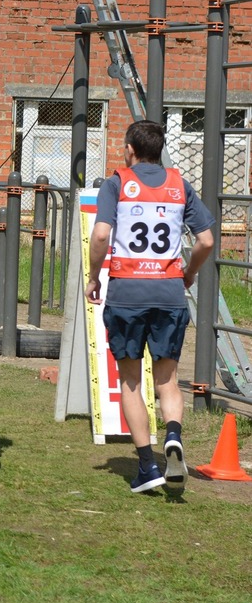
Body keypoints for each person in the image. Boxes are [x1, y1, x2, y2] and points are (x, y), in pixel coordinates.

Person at [85, 120, 214, 494]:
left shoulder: (117, 183)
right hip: (169, 291)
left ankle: (146, 465)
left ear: (129, 149)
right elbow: (205, 239)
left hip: (128, 292)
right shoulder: (179, 185)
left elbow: (102, 233)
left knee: (130, 380)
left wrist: (95, 276)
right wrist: (187, 273)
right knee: (168, 380)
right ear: (160, 150)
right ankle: (173, 436)